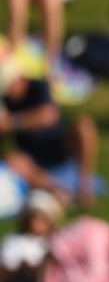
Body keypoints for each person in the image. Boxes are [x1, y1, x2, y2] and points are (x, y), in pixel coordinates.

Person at [0, 56, 101, 208]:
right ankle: (60, 192)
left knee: (84, 126)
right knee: (13, 161)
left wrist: (13, 122)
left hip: (60, 143)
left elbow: (47, 117)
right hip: (33, 156)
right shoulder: (6, 101)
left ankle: (84, 186)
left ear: (18, 79)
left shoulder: (38, 86)